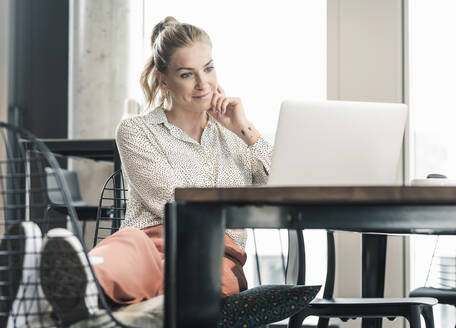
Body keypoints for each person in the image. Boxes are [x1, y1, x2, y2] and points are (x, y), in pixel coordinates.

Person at [2, 16, 273, 327]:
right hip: (149, 241)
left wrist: (245, 130)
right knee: (127, 249)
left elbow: (284, 185)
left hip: (215, 254)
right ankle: (59, 285)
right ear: (163, 80)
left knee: (196, 275)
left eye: (208, 69)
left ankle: (59, 296)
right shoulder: (137, 130)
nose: (203, 84)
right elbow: (172, 202)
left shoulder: (237, 135)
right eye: (188, 74)